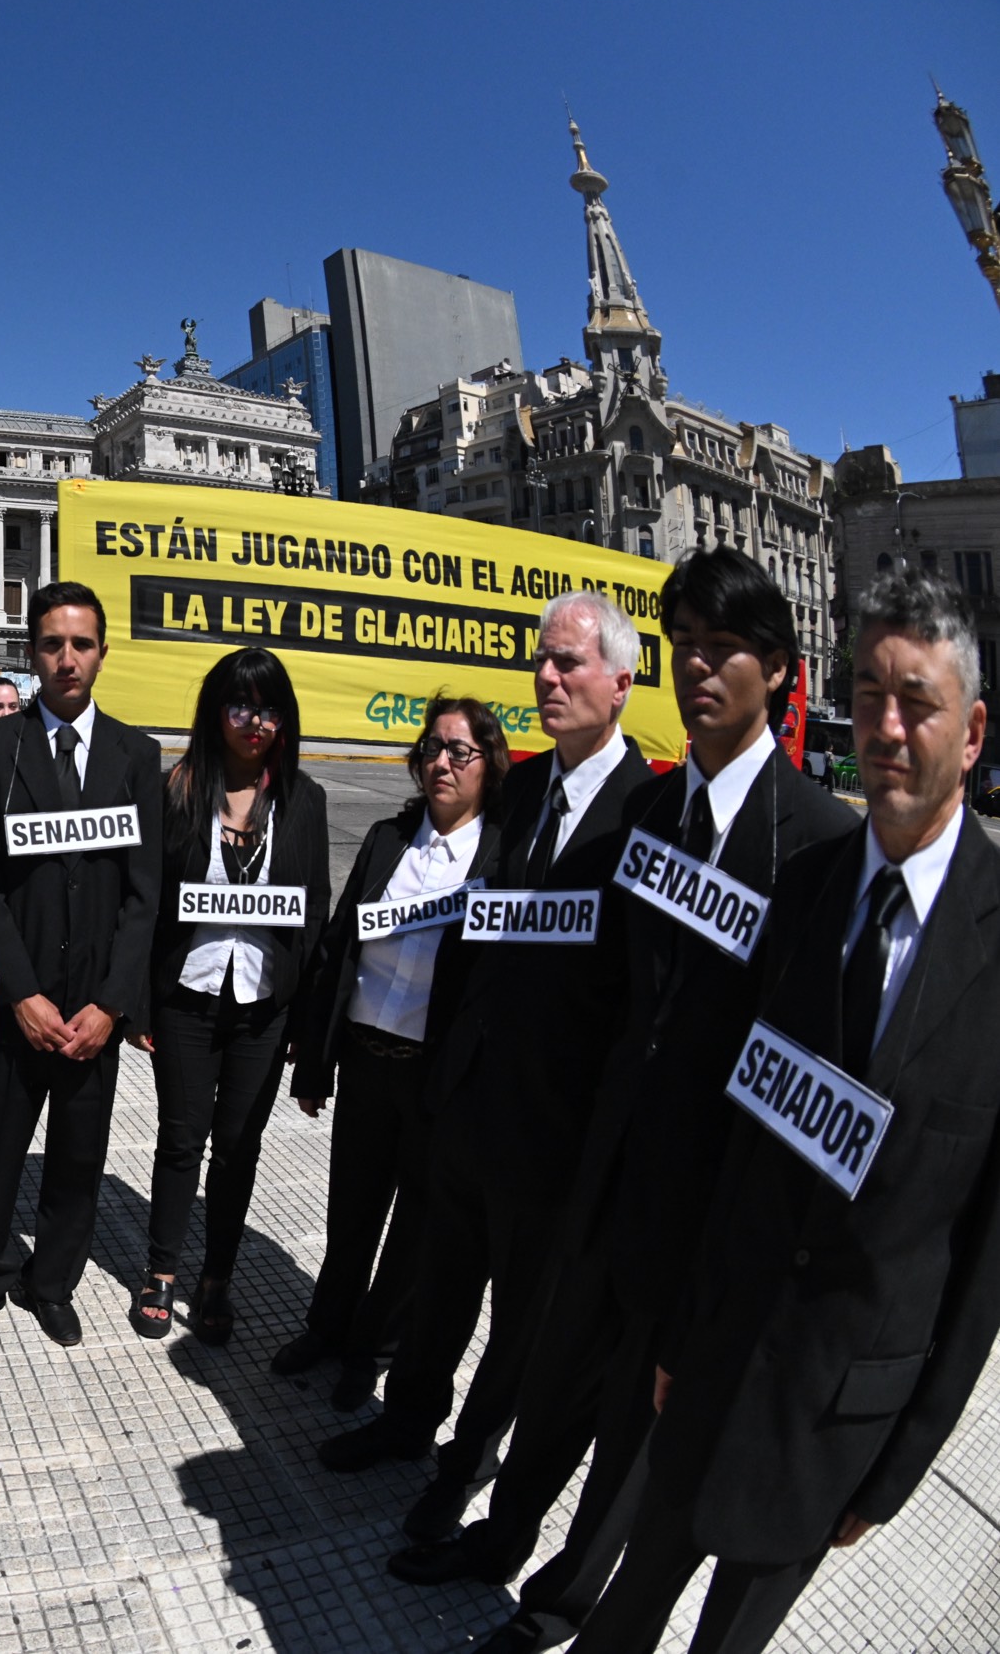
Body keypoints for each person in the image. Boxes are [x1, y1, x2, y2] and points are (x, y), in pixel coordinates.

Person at [393, 550, 859, 1644]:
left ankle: (563, 1596)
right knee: (552, 1375)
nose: (699, 665)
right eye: (684, 641)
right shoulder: (651, 813)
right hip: (599, 1169)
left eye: (725, 645)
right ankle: (500, 1531)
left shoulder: (818, 842)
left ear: (778, 669)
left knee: (632, 1428)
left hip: (700, 1204)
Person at [560, 570, 1000, 1652]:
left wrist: (895, 1463)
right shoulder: (802, 887)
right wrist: (678, 1324)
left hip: (836, 1412)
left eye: (917, 701)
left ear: (973, 728)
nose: (887, 729)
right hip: (709, 1352)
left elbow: (985, 1254)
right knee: (626, 1606)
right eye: (868, 692)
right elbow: (733, 1140)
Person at [320, 591, 652, 1544]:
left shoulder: (649, 810)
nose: (547, 678)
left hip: (556, 1129)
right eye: (541, 662)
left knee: (518, 1328)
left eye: (569, 664)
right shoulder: (523, 793)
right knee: (436, 1290)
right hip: (467, 1104)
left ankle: (463, 1472)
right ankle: (405, 1421)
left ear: (621, 682)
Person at [275, 695, 507, 1408]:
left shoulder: (500, 855)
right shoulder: (386, 838)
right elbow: (340, 946)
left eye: (459, 751)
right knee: (352, 1212)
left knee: (413, 1233)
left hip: (439, 1080)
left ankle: (371, 1348)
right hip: (370, 1059)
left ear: (487, 763)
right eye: (433, 747)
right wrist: (315, 1061)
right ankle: (328, 1325)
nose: (442, 762)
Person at [0, 582, 163, 1347]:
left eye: (80, 644)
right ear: (31, 653)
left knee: (79, 1154)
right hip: (23, 999)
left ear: (102, 652)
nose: (66, 658)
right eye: (52, 644)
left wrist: (113, 1003)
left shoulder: (137, 757)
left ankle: (54, 1282)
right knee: (0, 1148)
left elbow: (146, 895)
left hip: (93, 1004)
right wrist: (22, 992)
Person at [138, 647, 329, 1344]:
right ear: (216, 712)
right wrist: (137, 1002)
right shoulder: (179, 789)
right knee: (181, 1138)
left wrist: (307, 1022)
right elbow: (147, 901)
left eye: (270, 709)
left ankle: (217, 1278)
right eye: (242, 706)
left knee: (240, 1146)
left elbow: (314, 918)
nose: (255, 722)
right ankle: (161, 1270)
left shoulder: (305, 801)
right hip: (186, 996)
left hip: (264, 1006)